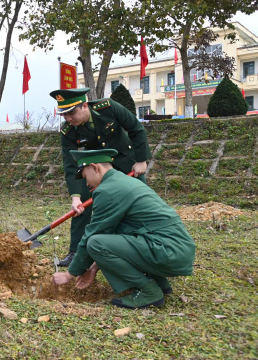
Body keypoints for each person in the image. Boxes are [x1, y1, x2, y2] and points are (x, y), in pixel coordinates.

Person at [52, 149, 195, 309]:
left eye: (85, 176)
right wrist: (94, 268)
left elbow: (94, 236)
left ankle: (149, 291)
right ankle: (159, 282)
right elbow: (115, 234)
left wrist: (69, 274)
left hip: (166, 250)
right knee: (110, 238)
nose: (86, 184)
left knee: (95, 242)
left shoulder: (107, 190)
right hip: (176, 249)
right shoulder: (124, 181)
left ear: (94, 167)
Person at [51, 88, 151, 267]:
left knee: (141, 201)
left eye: (71, 113)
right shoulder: (68, 131)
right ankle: (75, 251)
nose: (68, 119)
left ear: (84, 105)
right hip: (94, 169)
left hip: (125, 162)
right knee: (81, 206)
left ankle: (149, 244)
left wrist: (142, 161)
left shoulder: (108, 107)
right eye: (64, 115)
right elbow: (70, 164)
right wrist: (75, 197)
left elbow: (136, 129)